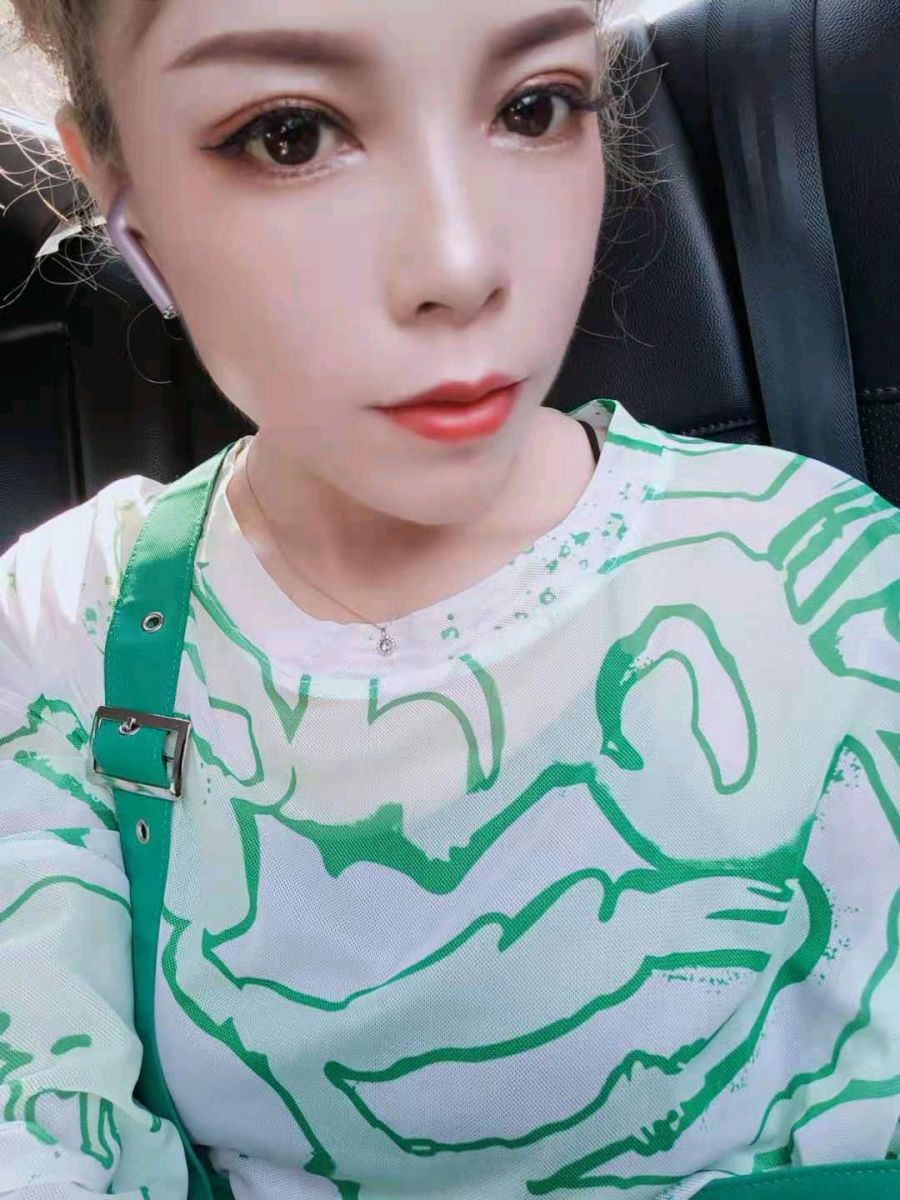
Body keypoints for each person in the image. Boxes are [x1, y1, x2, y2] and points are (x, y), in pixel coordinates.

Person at [0, 0, 897, 1196]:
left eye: (534, 108)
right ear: (121, 192)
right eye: (289, 135)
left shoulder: (831, 588)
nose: (461, 268)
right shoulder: (63, 626)